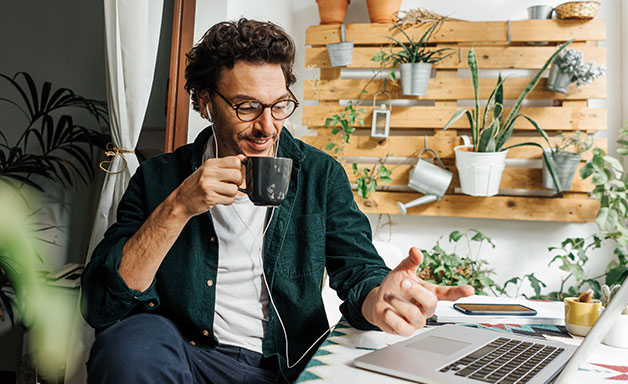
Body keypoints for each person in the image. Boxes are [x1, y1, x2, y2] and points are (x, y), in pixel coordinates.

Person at [81, 18, 474, 384]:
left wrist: (379, 300)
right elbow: (103, 304)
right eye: (247, 106)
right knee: (129, 343)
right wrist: (179, 206)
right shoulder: (159, 178)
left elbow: (358, 271)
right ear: (205, 103)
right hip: (188, 356)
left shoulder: (319, 174)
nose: (267, 127)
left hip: (285, 365)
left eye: (280, 105)